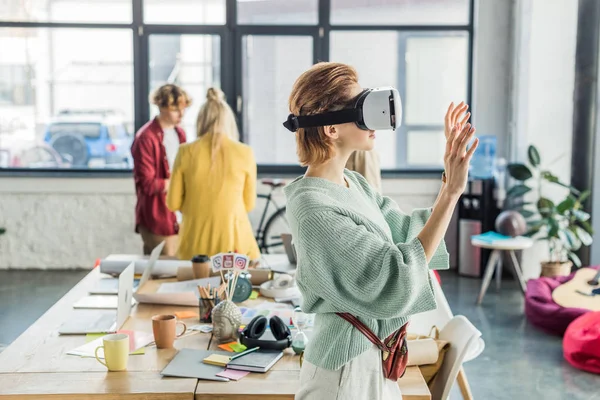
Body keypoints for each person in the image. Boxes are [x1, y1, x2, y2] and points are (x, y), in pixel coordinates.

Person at [283, 62, 476, 400]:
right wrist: (451, 194)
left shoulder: (353, 183)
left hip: (373, 358)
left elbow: (408, 233)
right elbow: (395, 275)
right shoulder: (314, 208)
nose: (377, 122)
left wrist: (449, 178)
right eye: (362, 109)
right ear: (331, 128)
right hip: (345, 371)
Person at [166, 88, 260, 262]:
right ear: (229, 120)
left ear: (201, 121)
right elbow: (249, 204)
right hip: (235, 247)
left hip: (193, 247)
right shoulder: (245, 152)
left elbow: (173, 203)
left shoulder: (185, 152)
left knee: (193, 288)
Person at [131, 84, 191, 256]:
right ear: (161, 107)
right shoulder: (146, 138)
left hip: (178, 215)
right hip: (158, 218)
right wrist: (177, 182)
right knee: (161, 273)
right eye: (175, 109)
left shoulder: (180, 134)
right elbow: (148, 184)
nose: (181, 114)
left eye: (183, 109)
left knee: (178, 269)